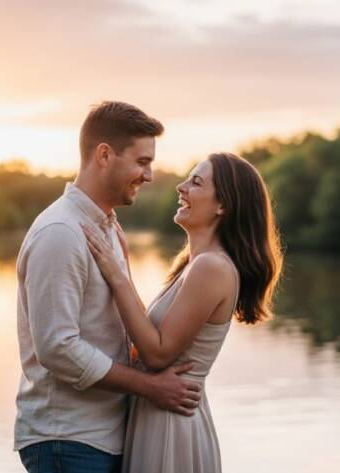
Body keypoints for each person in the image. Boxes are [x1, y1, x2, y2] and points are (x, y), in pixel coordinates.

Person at [14, 101, 202, 473]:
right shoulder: (61, 233)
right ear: (104, 155)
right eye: (142, 162)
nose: (149, 175)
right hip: (67, 441)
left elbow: (105, 331)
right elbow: (57, 347)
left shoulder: (107, 229)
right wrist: (150, 387)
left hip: (99, 437)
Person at [82, 152, 283, 473]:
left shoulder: (212, 267)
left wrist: (116, 274)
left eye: (196, 182)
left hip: (170, 425)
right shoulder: (194, 264)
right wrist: (121, 264)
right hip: (159, 415)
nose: (181, 186)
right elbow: (149, 336)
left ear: (223, 206)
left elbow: (158, 354)